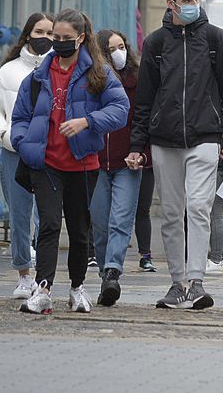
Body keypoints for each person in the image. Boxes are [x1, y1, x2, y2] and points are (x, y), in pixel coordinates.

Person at [127, 0, 223, 311]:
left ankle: (197, 281)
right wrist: (137, 144)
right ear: (171, 3)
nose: (192, 5)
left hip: (205, 135)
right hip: (165, 139)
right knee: (173, 212)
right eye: (186, 0)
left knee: (200, 208)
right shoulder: (156, 43)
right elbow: (144, 99)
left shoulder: (216, 39)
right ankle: (177, 282)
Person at [11, 9, 128, 314]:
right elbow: (20, 117)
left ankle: (77, 287)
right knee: (48, 225)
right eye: (54, 37)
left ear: (81, 38)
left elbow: (120, 109)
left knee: (79, 230)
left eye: (65, 38)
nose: (59, 43)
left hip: (83, 164)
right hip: (46, 162)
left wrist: (87, 122)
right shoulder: (37, 76)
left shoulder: (98, 74)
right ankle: (43, 288)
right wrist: (26, 146)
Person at [0, 12, 52, 299]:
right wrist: (4, 135)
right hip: (15, 153)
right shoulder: (8, 71)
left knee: (45, 216)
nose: (44, 38)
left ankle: (44, 275)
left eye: (50, 32)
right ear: (27, 35)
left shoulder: (61, 70)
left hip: (50, 154)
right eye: (38, 31)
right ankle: (24, 273)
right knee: (20, 215)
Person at [91, 28, 148, 305]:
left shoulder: (137, 82)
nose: (120, 53)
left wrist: (141, 153)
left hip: (128, 163)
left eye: (122, 46)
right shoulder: (91, 82)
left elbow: (144, 120)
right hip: (96, 162)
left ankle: (113, 270)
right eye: (112, 48)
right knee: (100, 223)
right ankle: (105, 274)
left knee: (121, 220)